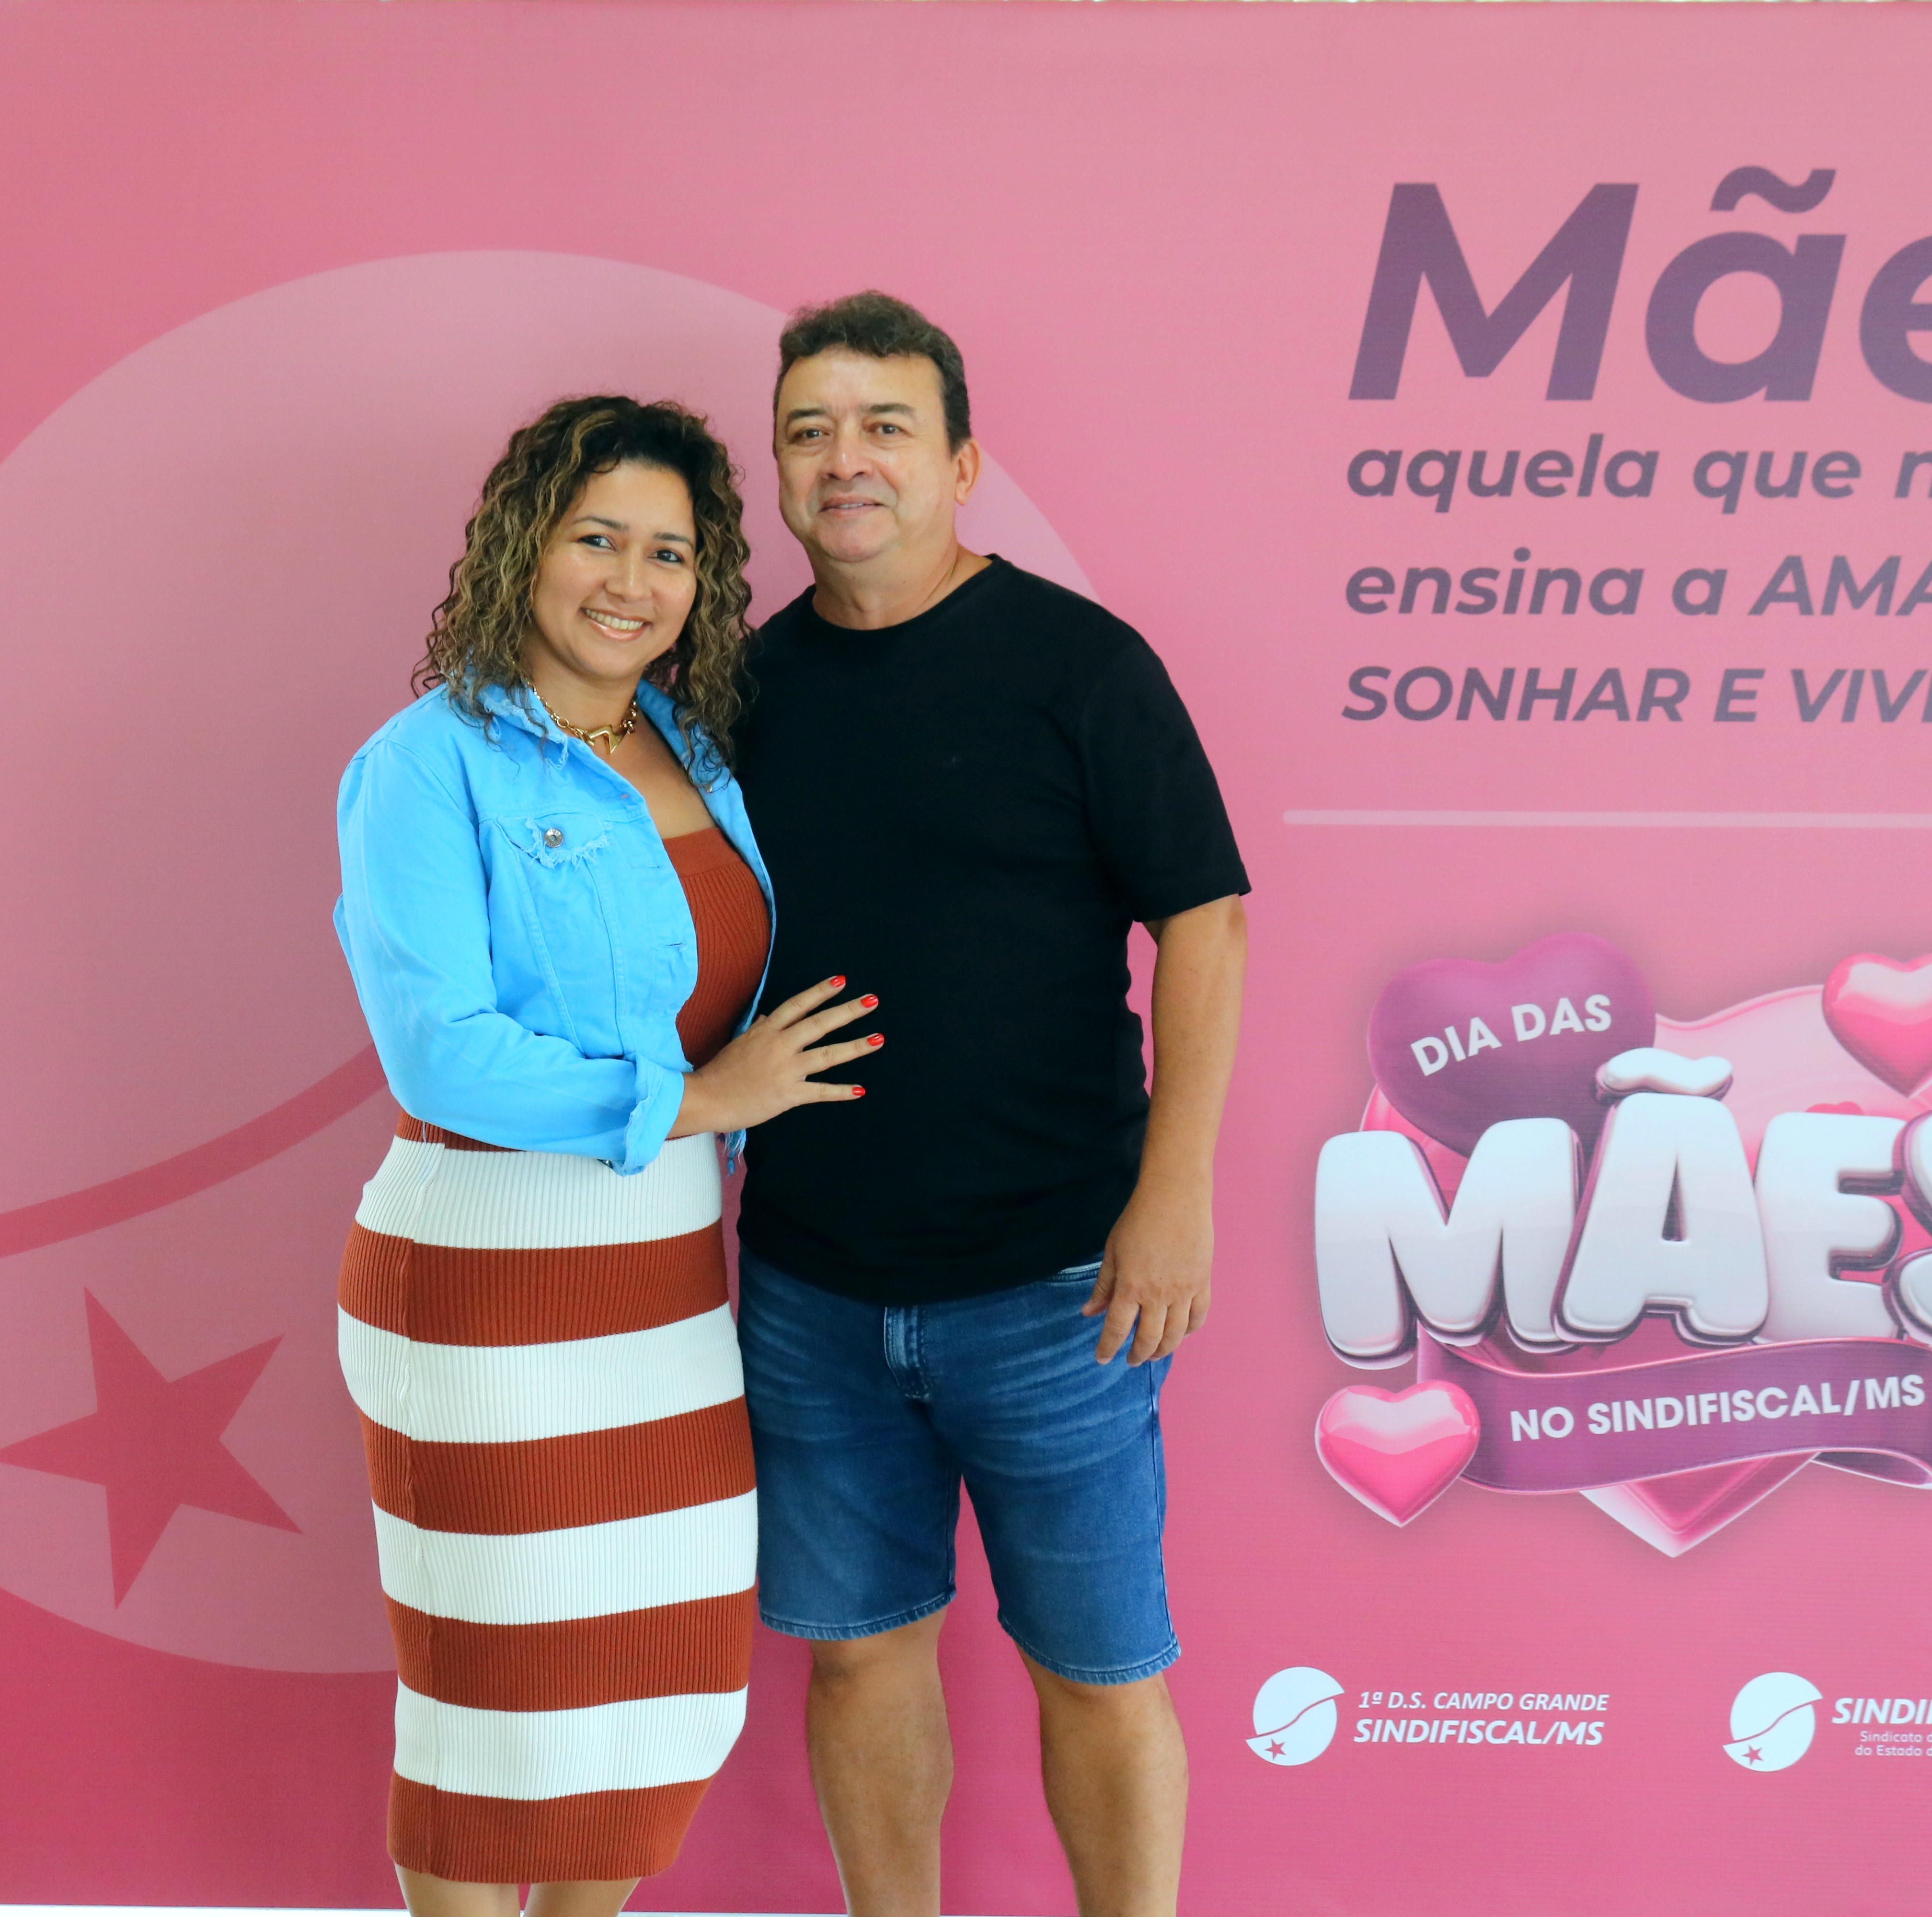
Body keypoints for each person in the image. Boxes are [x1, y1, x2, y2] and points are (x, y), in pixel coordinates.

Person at [731, 294, 1249, 1917]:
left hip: (1060, 1289)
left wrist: (1175, 1195)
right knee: (857, 1660)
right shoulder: (742, 689)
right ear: (779, 469)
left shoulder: (1080, 666)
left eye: (886, 426)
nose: (847, 459)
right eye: (811, 430)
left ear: (960, 463)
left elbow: (1207, 922)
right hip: (812, 1291)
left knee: (1100, 1672)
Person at [331, 395, 874, 1917]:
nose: (632, 582)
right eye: (597, 539)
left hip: (665, 1299)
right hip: (485, 1288)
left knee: (646, 1700)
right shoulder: (426, 762)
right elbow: (441, 1054)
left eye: (671, 553)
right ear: (524, 544)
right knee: (497, 1716)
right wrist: (703, 1100)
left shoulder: (690, 748)